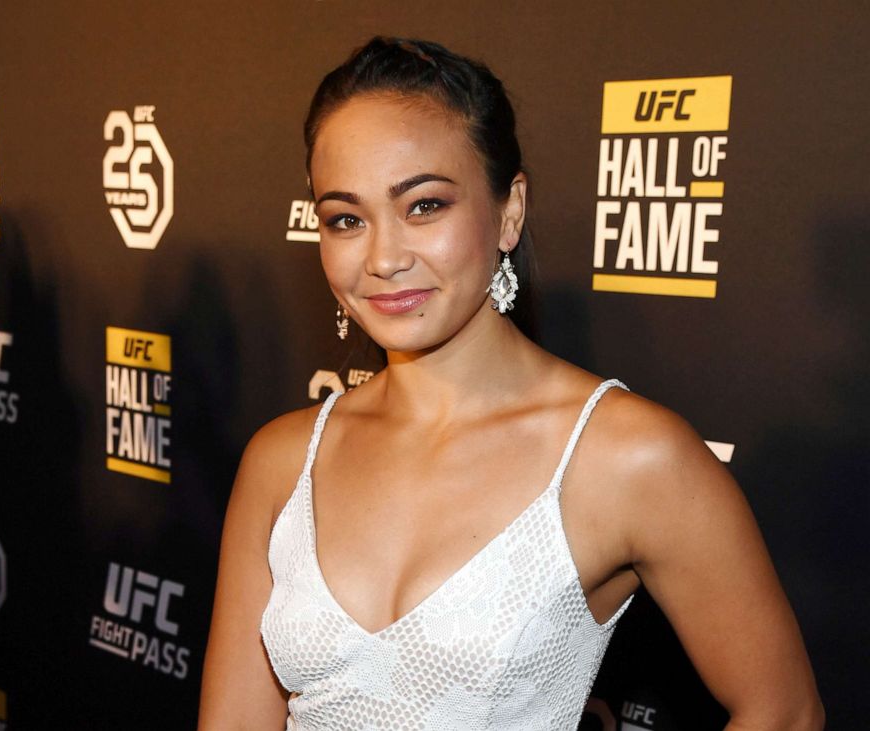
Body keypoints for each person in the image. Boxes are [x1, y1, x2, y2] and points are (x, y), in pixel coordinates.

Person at [197, 37, 823, 730]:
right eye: (346, 218)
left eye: (424, 206)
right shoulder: (282, 461)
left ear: (510, 210)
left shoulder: (625, 456)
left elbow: (785, 709)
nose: (382, 257)